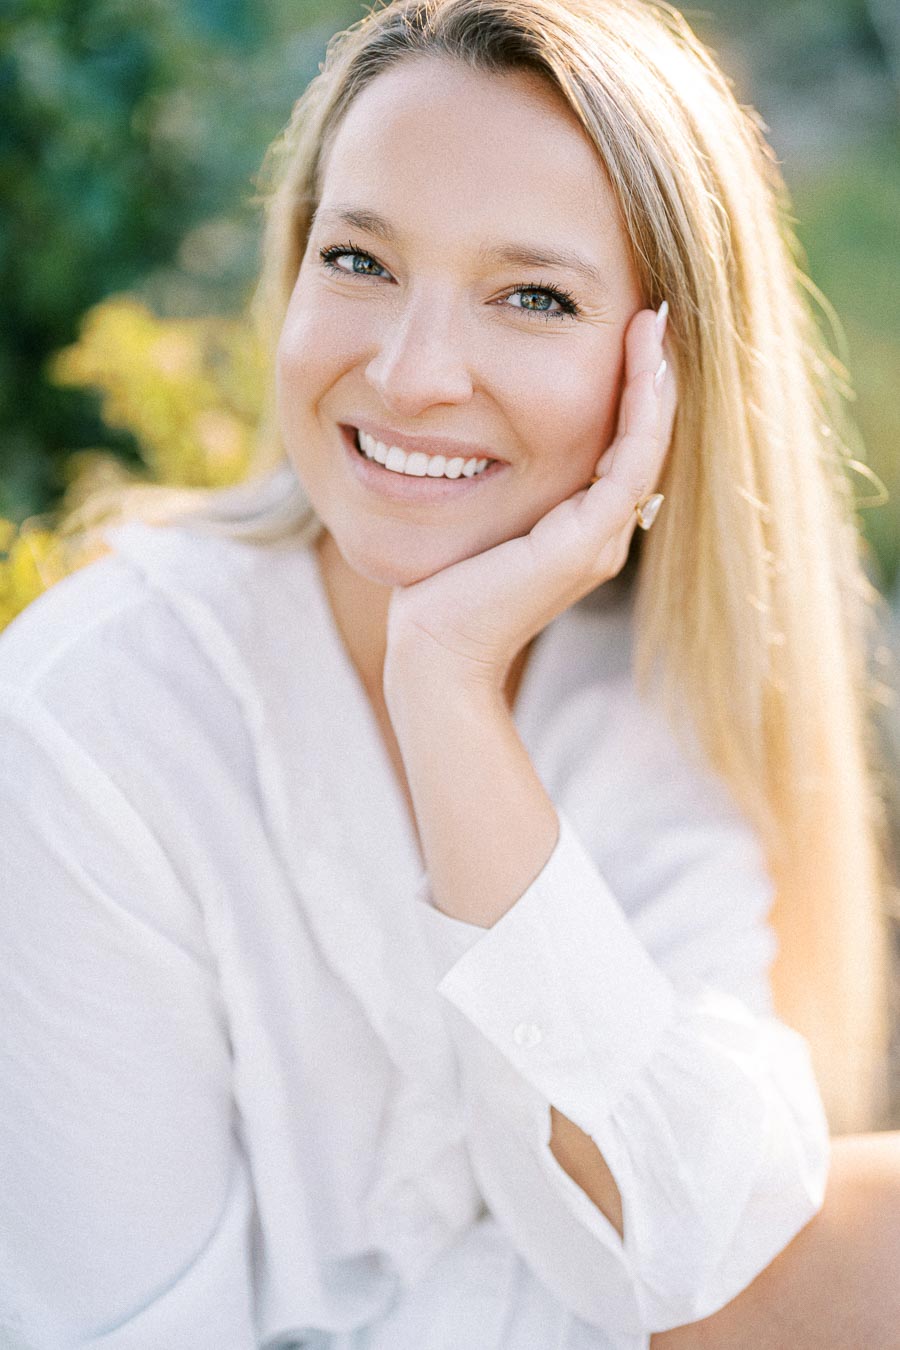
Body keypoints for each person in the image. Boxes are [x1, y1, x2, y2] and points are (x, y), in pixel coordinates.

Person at [1, 0, 898, 1346]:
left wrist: (449, 694)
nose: (412, 373)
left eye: (533, 295)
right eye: (358, 260)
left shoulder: (640, 687)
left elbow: (701, 1235)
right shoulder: (88, 721)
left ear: (663, 372)